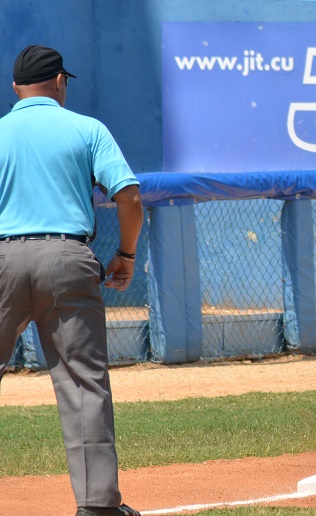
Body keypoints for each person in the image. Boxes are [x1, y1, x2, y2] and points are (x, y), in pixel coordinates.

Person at [0, 45, 143, 516]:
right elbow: (130, 197)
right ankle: (97, 505)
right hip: (67, 258)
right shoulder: (86, 128)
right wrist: (124, 254)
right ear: (60, 81)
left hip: (2, 258)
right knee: (82, 383)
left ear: (16, 87)